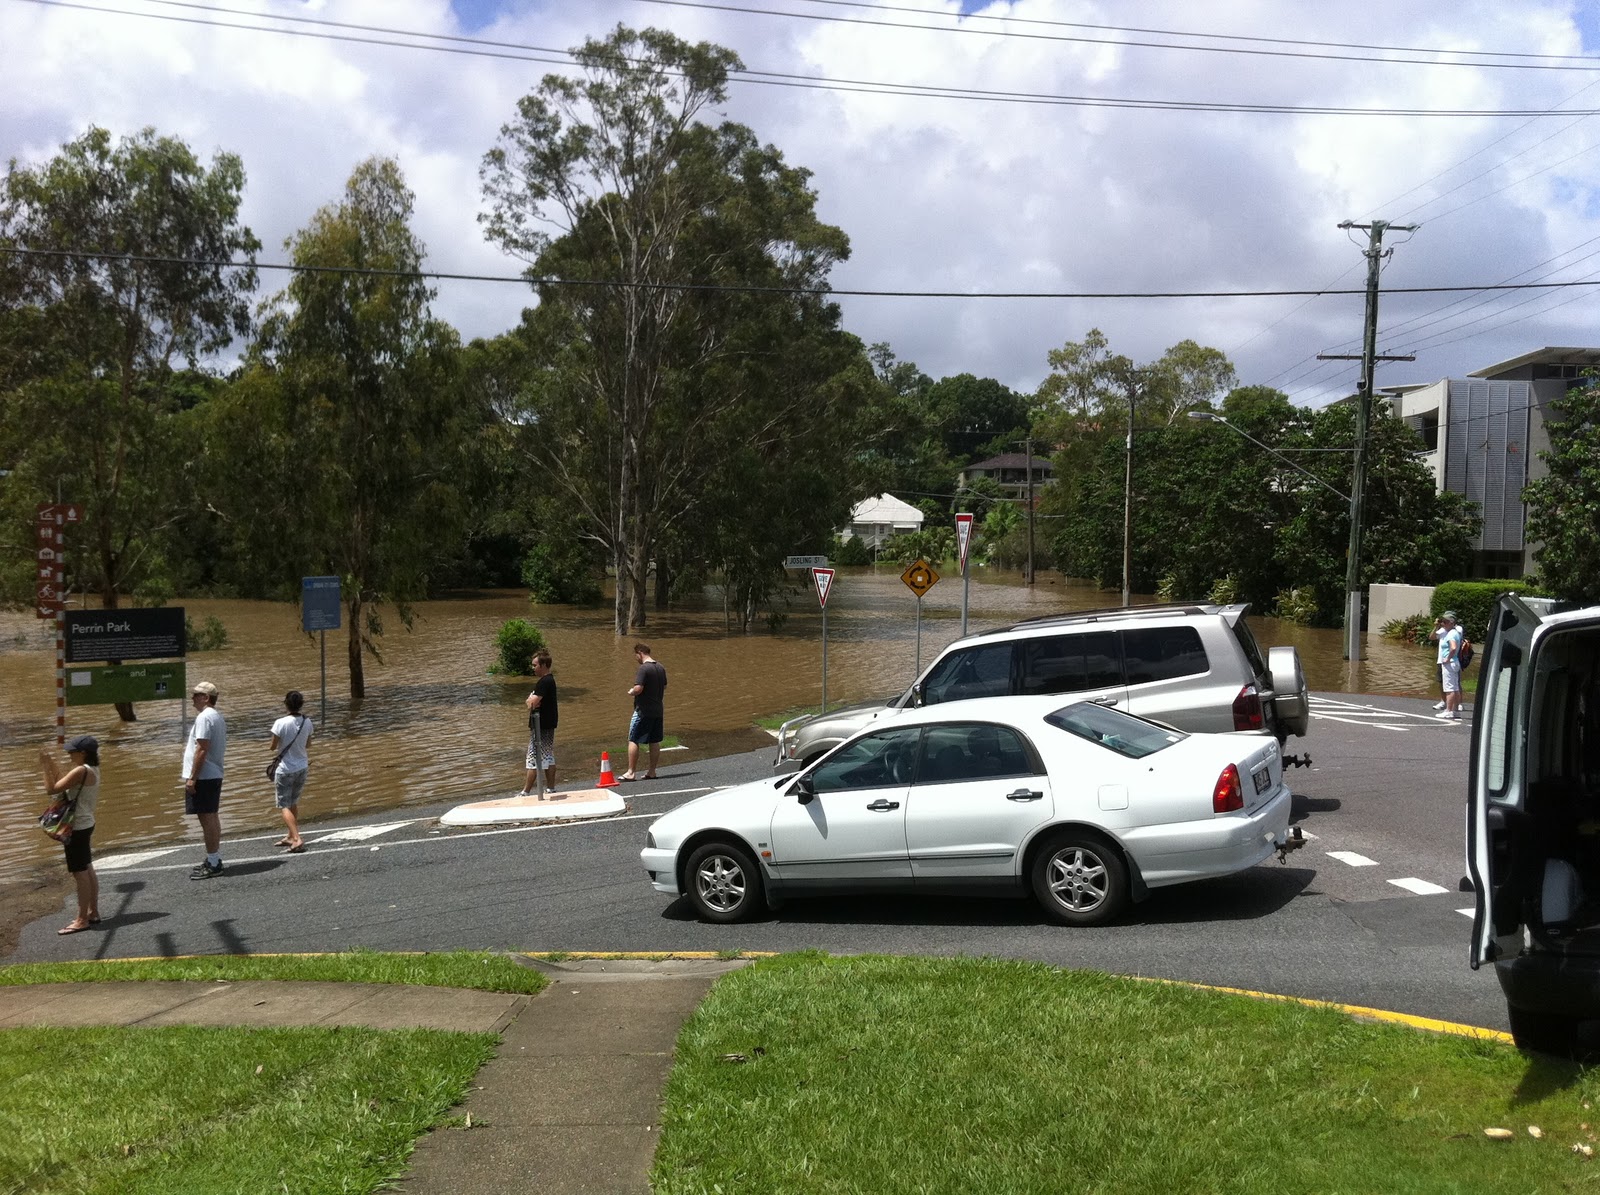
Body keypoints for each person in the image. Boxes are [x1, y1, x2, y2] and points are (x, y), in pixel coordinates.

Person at [40, 735, 101, 934]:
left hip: (76, 828)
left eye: (72, 751)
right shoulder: (90, 769)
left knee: (79, 873)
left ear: (83, 753)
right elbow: (61, 781)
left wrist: (43, 766)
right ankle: (93, 912)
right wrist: (50, 763)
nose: (68, 753)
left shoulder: (80, 770)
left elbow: (51, 789)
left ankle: (81, 919)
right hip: (86, 823)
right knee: (87, 867)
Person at [183, 679, 228, 878]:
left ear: (206, 698)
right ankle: (214, 858)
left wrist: (193, 778)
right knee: (212, 816)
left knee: (207, 818)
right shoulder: (216, 717)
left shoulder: (204, 718)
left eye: (196, 695)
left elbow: (201, 749)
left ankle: (213, 861)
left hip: (204, 776)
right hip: (213, 773)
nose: (192, 698)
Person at [269, 690, 313, 852]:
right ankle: (290, 835)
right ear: (301, 704)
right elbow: (308, 744)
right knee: (293, 802)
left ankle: (296, 838)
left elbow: (273, 746)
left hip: (285, 769)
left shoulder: (280, 723)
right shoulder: (307, 722)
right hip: (302, 767)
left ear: (286, 704)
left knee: (284, 805)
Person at [622, 642, 667, 781]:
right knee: (654, 741)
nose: (636, 658)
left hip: (643, 710)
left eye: (636, 655)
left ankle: (631, 772)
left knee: (633, 739)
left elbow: (638, 688)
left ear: (640, 653)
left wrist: (631, 692)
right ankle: (652, 771)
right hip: (658, 710)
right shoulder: (660, 667)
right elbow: (664, 687)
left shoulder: (644, 669)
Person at [522, 651, 559, 796]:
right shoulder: (550, 680)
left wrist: (530, 700)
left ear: (543, 665)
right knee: (548, 756)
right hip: (548, 724)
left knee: (534, 757)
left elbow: (531, 703)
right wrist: (532, 700)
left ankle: (526, 791)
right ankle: (551, 787)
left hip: (541, 725)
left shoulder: (544, 682)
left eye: (535, 665)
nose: (533, 668)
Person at [1431, 611, 1464, 722]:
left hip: (1450, 663)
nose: (1443, 624)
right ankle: (1455, 710)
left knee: (1449, 688)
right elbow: (1432, 637)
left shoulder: (1451, 633)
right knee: (1454, 687)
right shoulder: (1452, 632)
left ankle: (1448, 711)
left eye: (1445, 622)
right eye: (1442, 622)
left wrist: (1448, 658)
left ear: (1451, 622)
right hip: (1454, 663)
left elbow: (1453, 647)